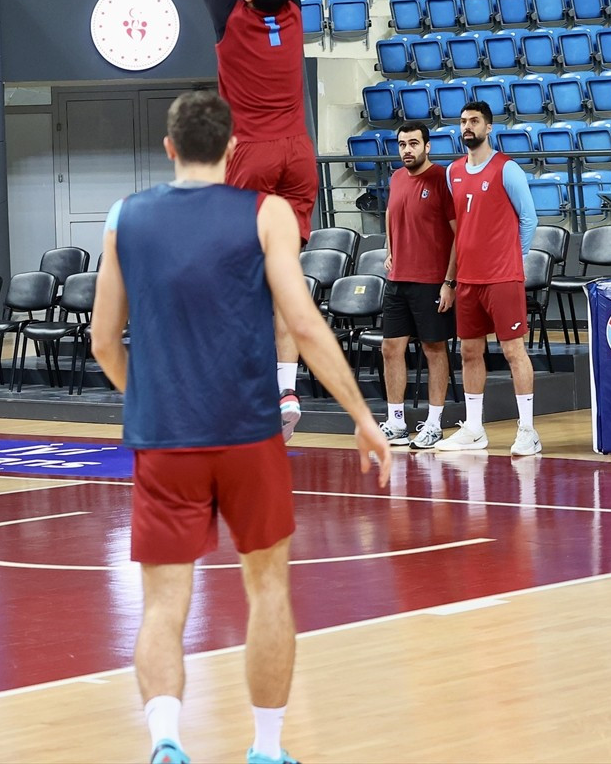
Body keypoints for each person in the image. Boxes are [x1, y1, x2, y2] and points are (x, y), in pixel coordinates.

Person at [92, 90, 391, 764]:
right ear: (232, 149)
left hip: (164, 438)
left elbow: (103, 343)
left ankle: (167, 740)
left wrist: (148, 400)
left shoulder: (124, 217)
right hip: (248, 432)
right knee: (267, 590)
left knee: (164, 602)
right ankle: (265, 749)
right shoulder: (267, 213)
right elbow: (305, 324)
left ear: (168, 148)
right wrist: (361, 417)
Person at [170, 0, 317, 440]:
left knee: (232, 278)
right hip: (298, 157)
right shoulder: (293, 11)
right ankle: (286, 392)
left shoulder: (232, 19)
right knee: (283, 275)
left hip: (252, 156)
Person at [437, 101, 541, 455]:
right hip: (468, 279)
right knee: (469, 351)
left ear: (489, 127)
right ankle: (474, 428)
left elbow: (529, 219)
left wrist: (513, 256)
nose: (467, 126)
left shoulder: (507, 169)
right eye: (463, 121)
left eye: (475, 121)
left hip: (502, 277)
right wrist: (451, 280)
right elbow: (460, 228)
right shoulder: (453, 171)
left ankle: (527, 429)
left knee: (514, 351)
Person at [379, 121, 458, 451]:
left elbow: (458, 235)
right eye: (402, 144)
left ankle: (435, 424)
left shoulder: (441, 178)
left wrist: (449, 282)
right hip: (398, 281)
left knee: (434, 350)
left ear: (427, 146)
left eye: (413, 143)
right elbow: (390, 214)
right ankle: (396, 423)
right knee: (390, 349)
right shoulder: (396, 178)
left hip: (431, 282)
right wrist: (389, 249)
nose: (407, 150)